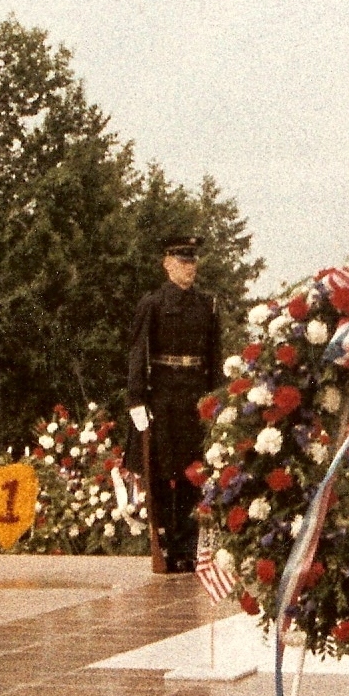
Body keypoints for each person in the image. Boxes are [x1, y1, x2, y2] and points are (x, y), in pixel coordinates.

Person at [125, 234, 220, 573]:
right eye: (182, 261)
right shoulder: (152, 303)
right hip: (163, 397)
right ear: (167, 264)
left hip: (194, 396)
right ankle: (167, 543)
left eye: (193, 261)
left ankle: (189, 547)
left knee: (193, 474)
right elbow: (139, 353)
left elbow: (214, 358)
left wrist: (216, 403)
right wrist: (136, 400)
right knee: (165, 475)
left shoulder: (207, 305)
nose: (189, 268)